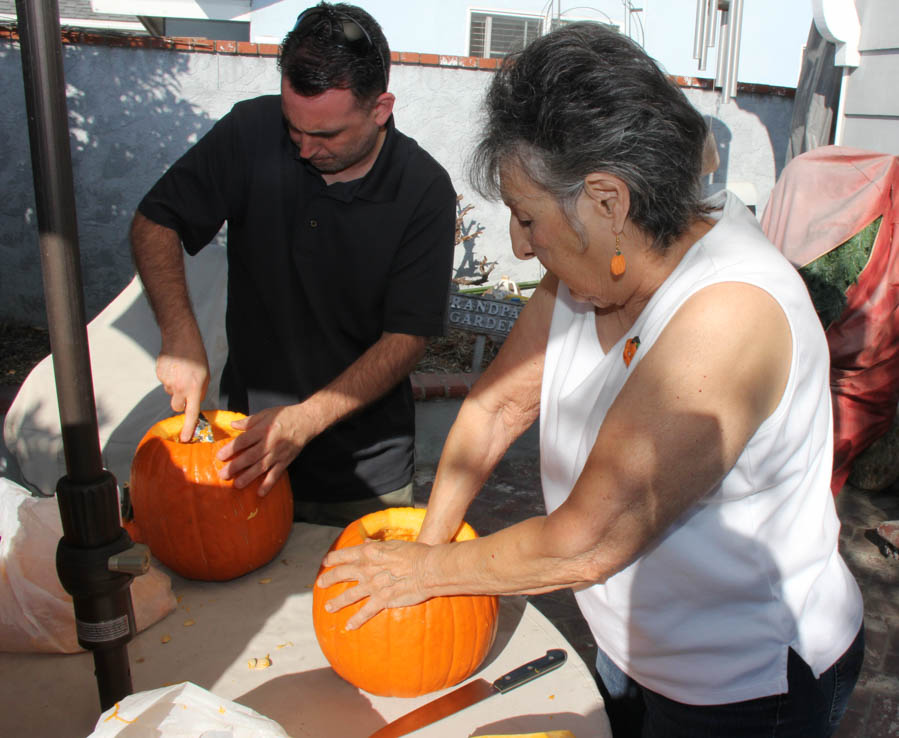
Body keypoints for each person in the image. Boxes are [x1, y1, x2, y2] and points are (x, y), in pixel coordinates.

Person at [316, 23, 865, 737]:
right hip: (627, 646)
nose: (518, 244)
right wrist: (432, 538)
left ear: (606, 201)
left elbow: (587, 541)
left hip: (744, 685)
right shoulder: (590, 270)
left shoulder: (731, 315)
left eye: (526, 217)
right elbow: (496, 404)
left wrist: (423, 576)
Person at [130, 3, 456, 526]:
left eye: (326, 136)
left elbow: (406, 339)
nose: (304, 149)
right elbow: (154, 221)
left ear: (380, 109)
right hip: (243, 450)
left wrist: (304, 420)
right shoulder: (250, 131)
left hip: (363, 475)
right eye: (293, 128)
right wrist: (180, 334)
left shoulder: (424, 190)